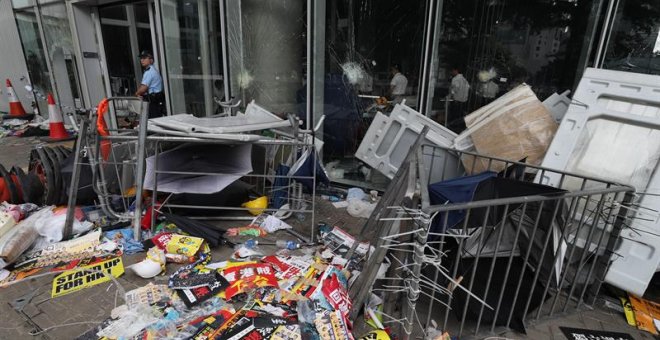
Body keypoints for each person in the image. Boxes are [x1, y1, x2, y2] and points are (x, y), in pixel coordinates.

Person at [135, 50, 166, 118]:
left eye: (144, 58)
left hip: (154, 100)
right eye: (141, 58)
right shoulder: (151, 70)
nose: (142, 60)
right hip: (156, 99)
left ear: (151, 60)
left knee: (153, 120)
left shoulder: (149, 72)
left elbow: (143, 88)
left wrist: (137, 94)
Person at [447, 66, 470, 132]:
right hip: (463, 101)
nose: (451, 72)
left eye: (452, 71)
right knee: (460, 116)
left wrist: (450, 95)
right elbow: (467, 89)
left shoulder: (455, 79)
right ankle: (459, 128)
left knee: (454, 115)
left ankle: (452, 128)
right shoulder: (464, 80)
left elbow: (454, 89)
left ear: (456, 71)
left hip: (456, 100)